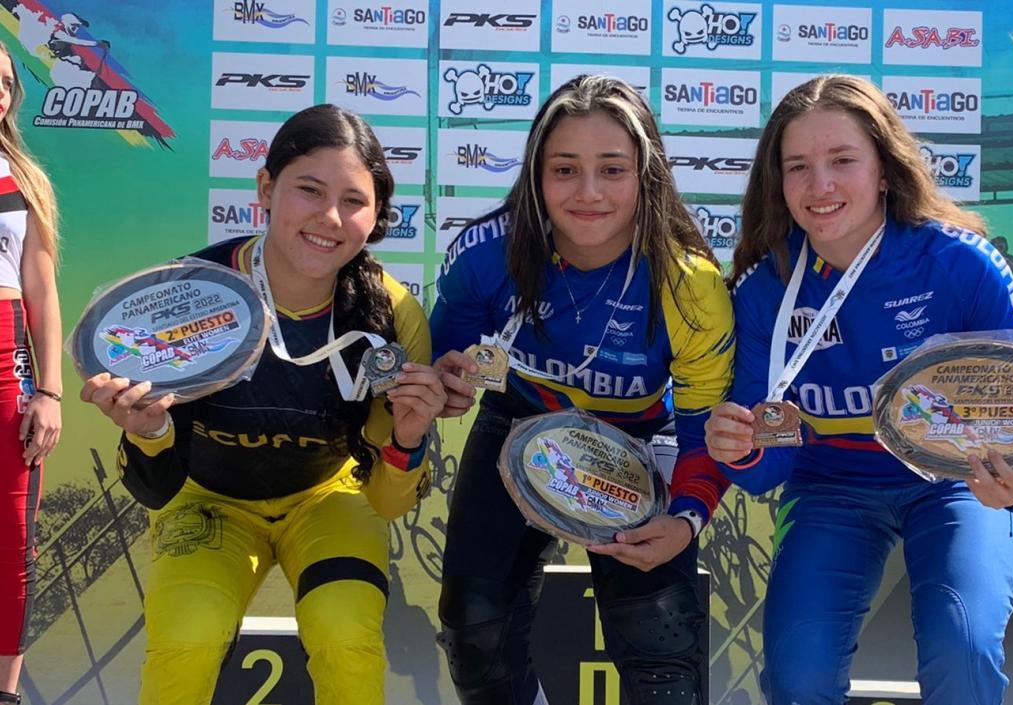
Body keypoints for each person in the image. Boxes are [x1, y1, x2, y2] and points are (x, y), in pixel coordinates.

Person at [704, 74, 1013, 705]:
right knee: (796, 677)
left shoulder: (961, 264)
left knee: (962, 646)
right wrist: (741, 449)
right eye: (798, 167)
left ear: (886, 171)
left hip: (954, 483)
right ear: (777, 183)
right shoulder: (765, 290)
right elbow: (766, 471)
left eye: (843, 160)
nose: (821, 186)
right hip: (833, 489)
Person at [79, 104, 445, 705]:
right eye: (309, 190)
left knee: (346, 628)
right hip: (207, 499)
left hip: (328, 499)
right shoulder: (190, 294)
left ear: (378, 215)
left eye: (354, 200)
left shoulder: (392, 316)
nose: (330, 218)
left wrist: (407, 438)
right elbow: (154, 491)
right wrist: (147, 432)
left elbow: (384, 500)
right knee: (186, 636)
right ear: (266, 188)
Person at [429, 74, 734, 705]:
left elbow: (708, 425)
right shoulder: (486, 256)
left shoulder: (688, 284)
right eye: (565, 169)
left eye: (612, 169)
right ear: (536, 175)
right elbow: (442, 368)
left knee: (662, 648)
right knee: (474, 627)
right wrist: (444, 387)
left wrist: (686, 517)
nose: (588, 193)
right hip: (518, 422)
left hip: (641, 443)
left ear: (646, 175)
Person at [0, 41, 62, 705]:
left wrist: (49, 390)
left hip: (6, 372)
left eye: (8, 83)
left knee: (12, 538)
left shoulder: (24, 180)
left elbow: (41, 292)